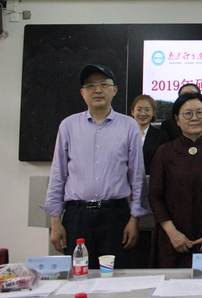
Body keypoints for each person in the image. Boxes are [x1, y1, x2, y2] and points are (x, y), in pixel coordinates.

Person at [42, 64, 150, 269]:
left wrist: (134, 219)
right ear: (82, 93)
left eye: (104, 84)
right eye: (90, 85)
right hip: (77, 216)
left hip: (115, 215)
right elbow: (58, 175)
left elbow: (137, 175)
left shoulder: (129, 126)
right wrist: (55, 222)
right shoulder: (68, 125)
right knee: (79, 275)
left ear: (114, 90)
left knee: (115, 276)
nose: (97, 90)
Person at [149, 92, 202, 268]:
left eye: (200, 113)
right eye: (187, 113)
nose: (194, 118)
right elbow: (155, 197)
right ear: (177, 119)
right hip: (173, 240)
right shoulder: (164, 152)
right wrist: (173, 233)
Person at [130, 94, 170, 173]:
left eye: (147, 110)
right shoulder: (125, 134)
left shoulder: (161, 136)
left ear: (153, 112)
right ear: (132, 112)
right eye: (139, 109)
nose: (143, 113)